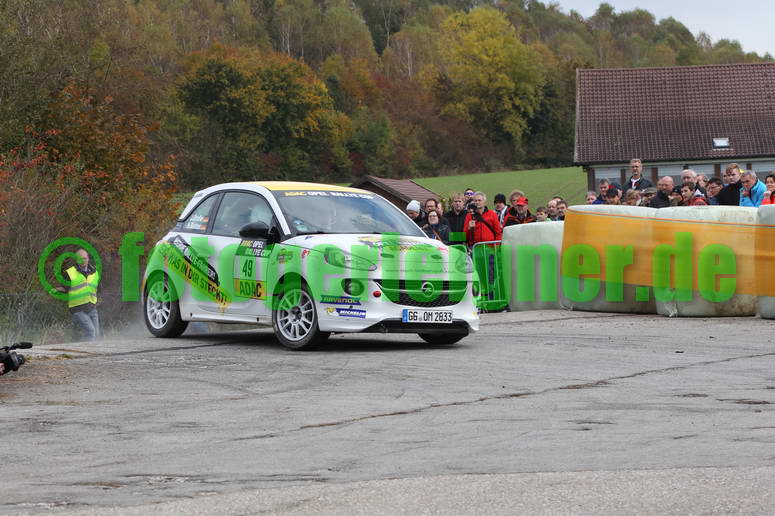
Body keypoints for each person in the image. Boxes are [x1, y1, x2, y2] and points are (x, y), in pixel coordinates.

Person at [57, 248, 101, 341]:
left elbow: (98, 288)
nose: (83, 261)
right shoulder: (70, 273)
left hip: (92, 307)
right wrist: (54, 290)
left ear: (88, 259)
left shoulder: (95, 272)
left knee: (96, 335)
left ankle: (82, 345)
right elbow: (65, 288)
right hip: (78, 309)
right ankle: (87, 349)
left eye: (85, 258)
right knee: (91, 332)